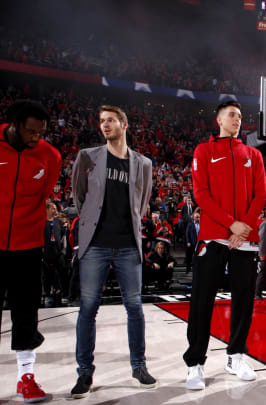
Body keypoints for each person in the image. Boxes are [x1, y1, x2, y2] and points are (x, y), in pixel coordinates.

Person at [71, 105, 155, 398]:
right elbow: (79, 196)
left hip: (128, 246)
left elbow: (142, 203)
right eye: (101, 121)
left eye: (110, 121)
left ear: (124, 123)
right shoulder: (87, 157)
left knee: (135, 308)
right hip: (95, 244)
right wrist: (93, 222)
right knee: (88, 309)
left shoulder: (143, 163)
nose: (104, 125)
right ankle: (84, 373)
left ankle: (139, 366)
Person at [183, 101, 266, 389]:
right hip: (213, 235)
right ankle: (195, 362)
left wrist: (242, 228)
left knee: (243, 301)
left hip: (244, 239)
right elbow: (201, 194)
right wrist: (232, 224)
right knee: (202, 302)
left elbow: (260, 194)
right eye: (232, 115)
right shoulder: (204, 151)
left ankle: (236, 355)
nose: (237, 120)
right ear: (218, 119)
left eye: (241, 116)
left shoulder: (253, 154)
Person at [0, 100, 61, 403]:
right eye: (31, 131)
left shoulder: (50, 156)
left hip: (27, 246)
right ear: (13, 125)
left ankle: (26, 378)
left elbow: (44, 194)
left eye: (41, 132)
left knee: (26, 315)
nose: (37, 137)